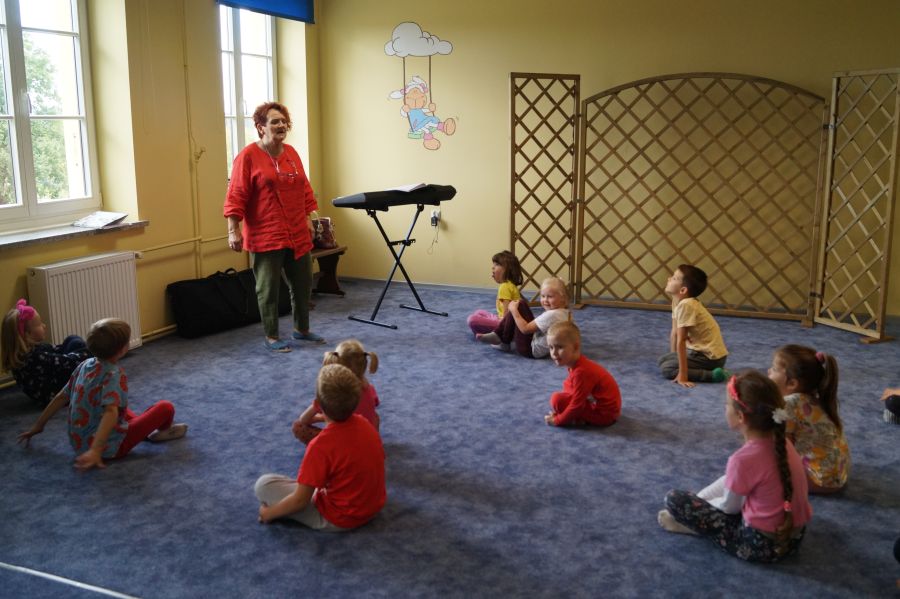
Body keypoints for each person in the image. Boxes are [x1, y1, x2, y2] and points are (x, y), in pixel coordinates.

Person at [658, 371, 812, 563]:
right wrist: (701, 499)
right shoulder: (783, 442)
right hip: (794, 538)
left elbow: (728, 508)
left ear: (740, 416)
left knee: (674, 499)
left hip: (759, 545)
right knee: (733, 485)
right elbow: (731, 482)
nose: (725, 408)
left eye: (727, 404)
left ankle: (694, 527)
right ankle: (701, 507)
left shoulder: (742, 460)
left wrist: (701, 508)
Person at [16, 318, 187, 471]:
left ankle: (137, 431)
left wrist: (38, 425)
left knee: (118, 407)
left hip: (79, 444)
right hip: (111, 447)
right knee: (165, 407)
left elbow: (62, 396)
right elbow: (110, 413)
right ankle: (163, 431)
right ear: (123, 349)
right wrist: (96, 450)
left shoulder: (84, 365)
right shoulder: (114, 374)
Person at [223, 101, 325, 353]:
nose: (281, 125)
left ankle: (301, 329)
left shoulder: (291, 153)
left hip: (297, 231)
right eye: (274, 121)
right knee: (268, 289)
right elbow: (236, 194)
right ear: (261, 127)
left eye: (283, 121)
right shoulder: (248, 156)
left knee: (302, 283)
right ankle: (271, 335)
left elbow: (304, 187)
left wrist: (308, 218)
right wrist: (233, 229)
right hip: (266, 233)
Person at [255, 364, 386, 531]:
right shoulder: (365, 423)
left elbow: (300, 501)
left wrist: (269, 514)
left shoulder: (319, 446)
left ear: (317, 404)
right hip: (374, 506)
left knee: (263, 485)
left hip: (341, 517)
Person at [768, 345, 850, 493]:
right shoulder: (814, 398)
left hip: (820, 480)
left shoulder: (790, 403)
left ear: (792, 383)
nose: (769, 371)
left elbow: (783, 448)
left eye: (774, 369)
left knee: (764, 472)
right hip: (838, 475)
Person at [1, 299, 91, 406]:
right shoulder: (35, 357)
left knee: (72, 340)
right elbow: (69, 362)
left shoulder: (25, 354)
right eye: (39, 324)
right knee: (78, 345)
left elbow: (55, 350)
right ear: (27, 334)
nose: (44, 326)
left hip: (49, 382)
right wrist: (91, 352)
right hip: (54, 395)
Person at [293, 339, 381, 444]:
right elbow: (369, 407)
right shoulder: (370, 389)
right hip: (366, 435)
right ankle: (372, 440)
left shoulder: (330, 395)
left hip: (344, 441)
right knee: (375, 416)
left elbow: (303, 420)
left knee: (298, 426)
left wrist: (319, 413)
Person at [657, 265, 729, 386]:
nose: (669, 278)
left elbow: (681, 340)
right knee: (663, 360)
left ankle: (713, 375)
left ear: (683, 290)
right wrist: (674, 357)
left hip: (709, 358)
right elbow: (675, 332)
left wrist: (682, 375)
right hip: (699, 353)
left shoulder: (686, 305)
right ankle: (706, 369)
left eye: (674, 278)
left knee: (667, 369)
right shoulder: (677, 301)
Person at [544, 322, 621, 428]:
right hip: (605, 409)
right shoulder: (577, 364)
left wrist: (558, 420)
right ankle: (578, 418)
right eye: (551, 347)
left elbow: (577, 405)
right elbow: (570, 388)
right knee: (567, 386)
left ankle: (579, 419)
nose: (554, 353)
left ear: (575, 347)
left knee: (557, 399)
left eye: (560, 347)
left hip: (605, 416)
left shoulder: (581, 372)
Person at [476, 276, 571, 359]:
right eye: (543, 296)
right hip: (539, 344)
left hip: (529, 349)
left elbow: (525, 329)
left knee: (519, 306)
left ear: (562, 298)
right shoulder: (565, 313)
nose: (545, 300)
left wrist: (514, 310)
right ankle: (500, 336)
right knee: (521, 305)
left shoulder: (552, 315)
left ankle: (503, 341)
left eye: (550, 296)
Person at [467, 250, 524, 337]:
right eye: (493, 264)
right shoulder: (509, 285)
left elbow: (506, 312)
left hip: (507, 324)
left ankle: (495, 333)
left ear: (508, 269)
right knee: (479, 312)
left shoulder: (505, 286)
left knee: (472, 320)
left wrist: (502, 324)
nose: (493, 267)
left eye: (497, 264)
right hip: (507, 320)